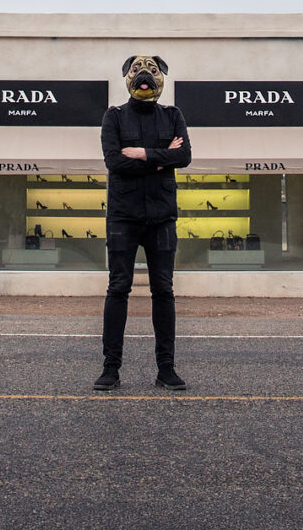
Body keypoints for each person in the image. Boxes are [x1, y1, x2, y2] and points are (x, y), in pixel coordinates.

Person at [95, 53, 192, 392]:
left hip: (162, 218)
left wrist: (142, 153)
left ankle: (167, 369)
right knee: (118, 288)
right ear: (126, 77)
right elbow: (113, 162)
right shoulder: (114, 116)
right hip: (123, 217)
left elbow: (184, 156)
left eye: (152, 71)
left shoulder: (173, 115)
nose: (144, 76)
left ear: (162, 76)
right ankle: (111, 369)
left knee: (163, 291)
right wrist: (161, 158)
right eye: (137, 71)